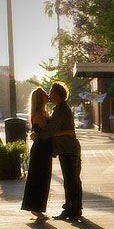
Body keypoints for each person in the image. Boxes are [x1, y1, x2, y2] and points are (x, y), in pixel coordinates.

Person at [36, 81, 83, 221]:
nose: (49, 95)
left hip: (68, 149)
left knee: (70, 181)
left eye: (51, 92)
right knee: (73, 180)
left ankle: (70, 209)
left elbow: (52, 130)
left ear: (56, 94)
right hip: (68, 149)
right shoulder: (61, 109)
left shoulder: (61, 110)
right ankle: (74, 209)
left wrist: (39, 136)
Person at [21, 87, 53, 219]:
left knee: (43, 178)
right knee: (38, 178)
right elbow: (49, 130)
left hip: (44, 148)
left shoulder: (44, 112)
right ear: (40, 99)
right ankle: (35, 209)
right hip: (40, 149)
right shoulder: (39, 115)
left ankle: (38, 208)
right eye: (45, 94)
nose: (48, 95)